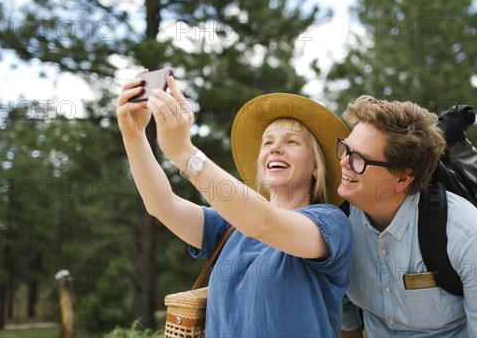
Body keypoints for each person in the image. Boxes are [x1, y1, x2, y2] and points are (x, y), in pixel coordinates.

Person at [116, 72, 353, 337]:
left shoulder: (331, 223)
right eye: (268, 142)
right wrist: (134, 136)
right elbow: (163, 205)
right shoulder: (228, 227)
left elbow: (264, 223)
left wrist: (185, 153)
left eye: (292, 141)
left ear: (316, 169)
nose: (275, 148)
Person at [338, 96, 477, 337]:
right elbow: (343, 306)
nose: (343, 162)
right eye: (345, 149)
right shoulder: (340, 223)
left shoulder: (471, 237)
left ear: (403, 179)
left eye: (359, 159)